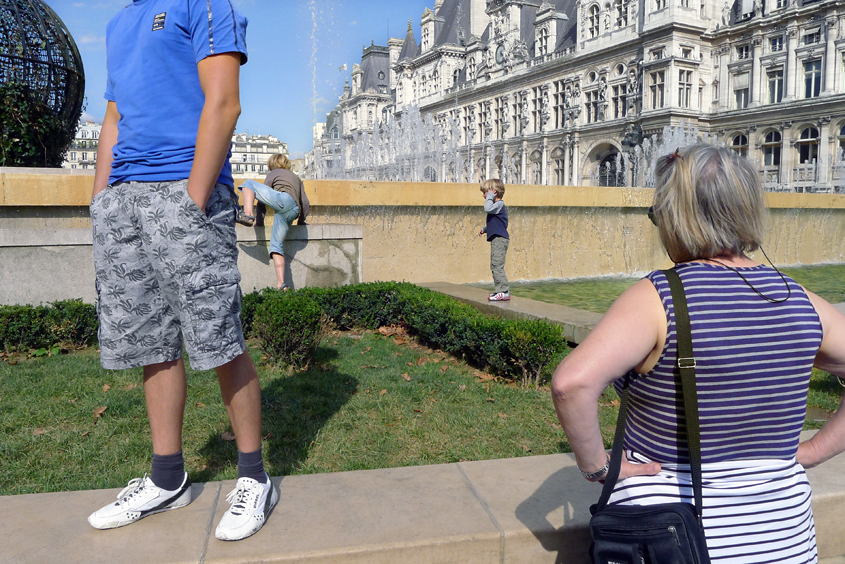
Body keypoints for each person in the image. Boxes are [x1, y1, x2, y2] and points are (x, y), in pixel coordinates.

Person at [551, 144, 845, 563]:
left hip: (669, 537)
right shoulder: (799, 300)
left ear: (675, 217)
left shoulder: (659, 298)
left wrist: (598, 467)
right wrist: (814, 450)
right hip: (782, 537)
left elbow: (571, 385)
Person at [86, 0, 277, 542]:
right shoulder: (119, 22)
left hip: (184, 193)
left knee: (218, 338)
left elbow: (223, 102)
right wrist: (101, 201)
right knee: (152, 343)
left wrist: (192, 200)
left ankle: (253, 476)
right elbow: (115, 116)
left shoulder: (203, 2)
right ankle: (167, 477)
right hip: (125, 201)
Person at [236, 154, 310, 290]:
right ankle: (281, 283)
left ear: (271, 165)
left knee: (248, 184)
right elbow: (305, 202)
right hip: (292, 211)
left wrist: (259, 222)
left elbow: (262, 202)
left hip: (283, 201)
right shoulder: (297, 178)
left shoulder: (273, 173)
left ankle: (247, 215)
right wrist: (301, 221)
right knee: (276, 246)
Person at [477, 178, 510, 302]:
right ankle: (501, 290)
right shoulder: (496, 206)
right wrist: (485, 229)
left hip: (500, 239)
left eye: (485, 192)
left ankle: (503, 291)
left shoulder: (499, 204)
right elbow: (497, 222)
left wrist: (490, 197)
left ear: (494, 192)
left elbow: (487, 208)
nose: (483, 196)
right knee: (495, 265)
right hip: (497, 239)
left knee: (497, 265)